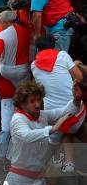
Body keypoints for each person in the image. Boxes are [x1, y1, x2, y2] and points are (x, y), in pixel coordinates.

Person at [31, 35, 84, 173]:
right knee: (67, 126)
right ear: (54, 46)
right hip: (74, 109)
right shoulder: (63, 56)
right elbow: (80, 77)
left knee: (61, 129)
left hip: (52, 114)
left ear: (38, 49)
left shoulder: (33, 65)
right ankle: (67, 163)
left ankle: (61, 161)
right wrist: (75, 64)